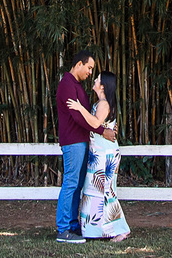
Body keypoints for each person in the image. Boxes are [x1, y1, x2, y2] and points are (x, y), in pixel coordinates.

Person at [55, 50, 116, 244]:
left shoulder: (77, 86)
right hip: (73, 142)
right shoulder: (67, 85)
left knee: (77, 185)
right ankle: (63, 229)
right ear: (78, 64)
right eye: (89, 68)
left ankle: (73, 226)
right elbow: (77, 116)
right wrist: (101, 131)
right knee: (71, 183)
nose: (90, 72)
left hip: (81, 142)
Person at [66, 70, 131, 241]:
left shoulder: (103, 104)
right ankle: (96, 230)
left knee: (106, 191)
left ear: (102, 85)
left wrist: (79, 107)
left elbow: (95, 123)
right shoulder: (101, 102)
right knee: (95, 191)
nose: (94, 80)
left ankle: (121, 229)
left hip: (105, 154)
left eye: (97, 79)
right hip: (100, 153)